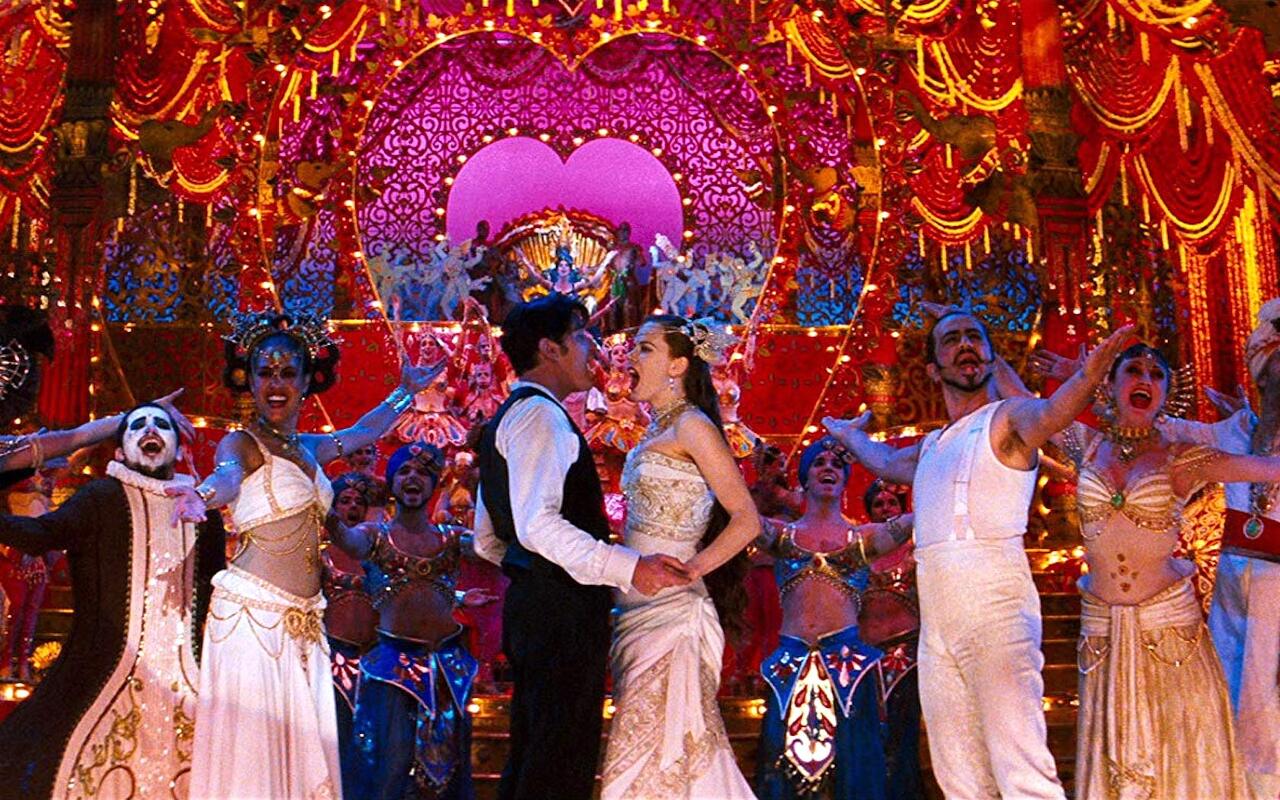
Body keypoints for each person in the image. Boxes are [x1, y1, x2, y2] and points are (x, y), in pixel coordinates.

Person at [823, 310, 1133, 799]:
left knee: (1021, 767)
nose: (965, 344)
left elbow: (1052, 413)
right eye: (952, 339)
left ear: (990, 358)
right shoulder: (931, 446)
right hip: (937, 625)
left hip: (997, 613)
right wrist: (848, 435)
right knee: (959, 776)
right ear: (933, 368)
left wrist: (1088, 376)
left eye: (974, 337)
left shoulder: (1009, 418)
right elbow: (883, 460)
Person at [169, 311, 442, 800]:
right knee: (254, 755)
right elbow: (226, 476)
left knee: (296, 755)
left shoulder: (311, 447)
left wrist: (405, 391)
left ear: (306, 380)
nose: (276, 384)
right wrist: (202, 496)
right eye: (264, 372)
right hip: (253, 618)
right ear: (248, 379)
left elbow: (364, 431)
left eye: (287, 372)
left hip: (304, 622)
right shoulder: (242, 444)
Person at [1034, 318, 1280, 798]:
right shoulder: (1087, 445)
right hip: (1105, 630)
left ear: (1167, 394)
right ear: (1110, 383)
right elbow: (1023, 408)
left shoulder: (1184, 457)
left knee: (1180, 752)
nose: (1144, 378)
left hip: (1169, 629)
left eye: (1156, 374)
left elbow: (1269, 468)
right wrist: (1075, 374)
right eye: (1133, 370)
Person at [471, 294, 690, 800]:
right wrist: (628, 567)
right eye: (581, 336)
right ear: (550, 348)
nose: (594, 347)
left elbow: (488, 538)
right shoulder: (542, 418)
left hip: (539, 605)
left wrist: (533, 575)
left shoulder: (512, 415)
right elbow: (537, 525)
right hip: (561, 613)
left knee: (539, 750)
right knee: (560, 756)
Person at [0, 403, 225, 800]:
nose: (150, 429)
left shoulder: (203, 514)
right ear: (120, 451)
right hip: (101, 673)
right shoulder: (100, 498)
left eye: (161, 424)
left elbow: (214, 588)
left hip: (186, 682)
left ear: (177, 449)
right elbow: (42, 534)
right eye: (137, 425)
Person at [598, 315, 760, 798]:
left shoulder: (692, 426)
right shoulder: (657, 428)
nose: (631, 358)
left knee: (658, 755)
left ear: (678, 365)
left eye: (645, 349)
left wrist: (694, 568)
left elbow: (746, 519)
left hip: (673, 617)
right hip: (634, 612)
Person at [325, 443, 494, 799]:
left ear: (434, 484)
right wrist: (318, 494)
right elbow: (345, 539)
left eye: (422, 472)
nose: (412, 477)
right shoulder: (374, 536)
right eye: (403, 471)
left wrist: (484, 484)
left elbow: (490, 548)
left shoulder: (452, 539)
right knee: (392, 766)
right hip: (392, 669)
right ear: (392, 483)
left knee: (448, 770)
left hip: (447, 668)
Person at [755, 438, 911, 800]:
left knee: (856, 771)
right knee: (783, 771)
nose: (828, 468)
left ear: (845, 481)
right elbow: (734, 512)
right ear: (804, 478)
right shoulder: (779, 534)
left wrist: (882, 458)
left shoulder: (865, 538)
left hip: (848, 668)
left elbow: (928, 513)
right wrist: (762, 483)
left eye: (837, 465)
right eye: (819, 463)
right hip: (790, 664)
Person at [858, 479, 925, 800]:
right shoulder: (859, 548)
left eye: (892, 503)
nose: (886, 509)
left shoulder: (917, 548)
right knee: (869, 733)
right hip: (865, 657)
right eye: (878, 504)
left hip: (907, 653)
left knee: (903, 731)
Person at [324, 472, 380, 799]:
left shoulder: (379, 552)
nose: (353, 507)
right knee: (337, 737)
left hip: (374, 660)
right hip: (332, 658)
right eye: (345, 501)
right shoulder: (319, 553)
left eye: (359, 501)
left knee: (371, 742)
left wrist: (459, 597)